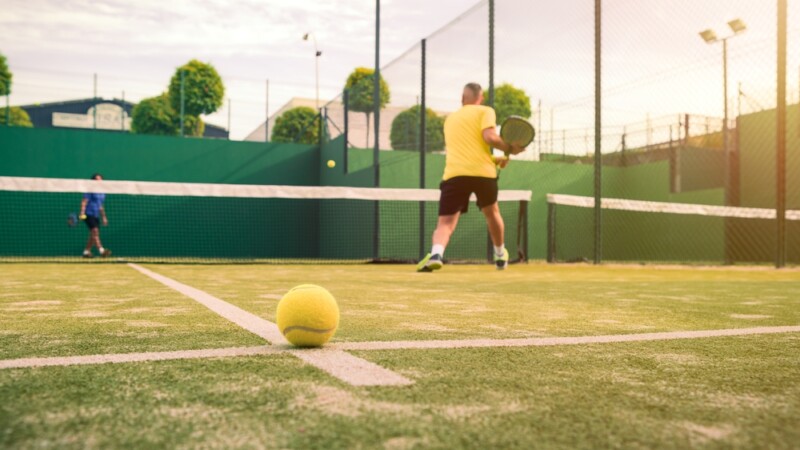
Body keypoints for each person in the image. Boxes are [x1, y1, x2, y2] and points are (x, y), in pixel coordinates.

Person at [416, 82, 523, 272]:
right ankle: (500, 255)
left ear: (462, 98)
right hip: (483, 174)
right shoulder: (485, 111)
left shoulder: (450, 120)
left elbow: (466, 151)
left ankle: (436, 254)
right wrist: (509, 148)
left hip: (455, 174)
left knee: (446, 222)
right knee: (492, 213)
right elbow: (489, 138)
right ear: (479, 97)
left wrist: (494, 159)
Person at [80, 173, 111, 258]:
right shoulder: (90, 190)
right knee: (95, 231)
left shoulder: (102, 193)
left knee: (93, 234)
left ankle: (86, 252)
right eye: (96, 180)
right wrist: (82, 212)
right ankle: (102, 250)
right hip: (88, 214)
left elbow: (100, 206)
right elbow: (84, 201)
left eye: (100, 179)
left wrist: (104, 217)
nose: (99, 181)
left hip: (96, 215)